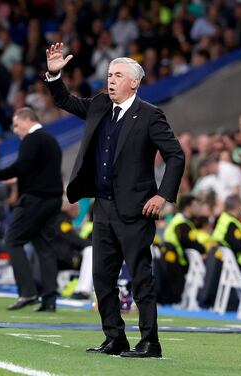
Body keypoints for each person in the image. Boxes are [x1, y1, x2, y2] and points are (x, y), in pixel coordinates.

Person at [44, 43, 185, 358]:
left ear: (133, 82)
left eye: (118, 75)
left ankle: (150, 342)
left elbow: (175, 155)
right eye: (109, 74)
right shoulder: (98, 105)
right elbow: (65, 100)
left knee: (140, 276)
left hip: (136, 210)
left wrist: (163, 195)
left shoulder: (150, 115)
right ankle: (115, 338)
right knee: (101, 278)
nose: (111, 80)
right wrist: (54, 76)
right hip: (103, 207)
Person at [0, 107, 63, 312]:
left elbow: (22, 165)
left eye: (16, 125)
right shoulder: (51, 140)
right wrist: (17, 178)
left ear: (27, 120)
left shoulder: (32, 139)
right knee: (44, 248)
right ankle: (49, 300)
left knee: (12, 241)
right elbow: (38, 170)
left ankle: (27, 292)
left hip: (35, 200)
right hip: (52, 201)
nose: (15, 130)